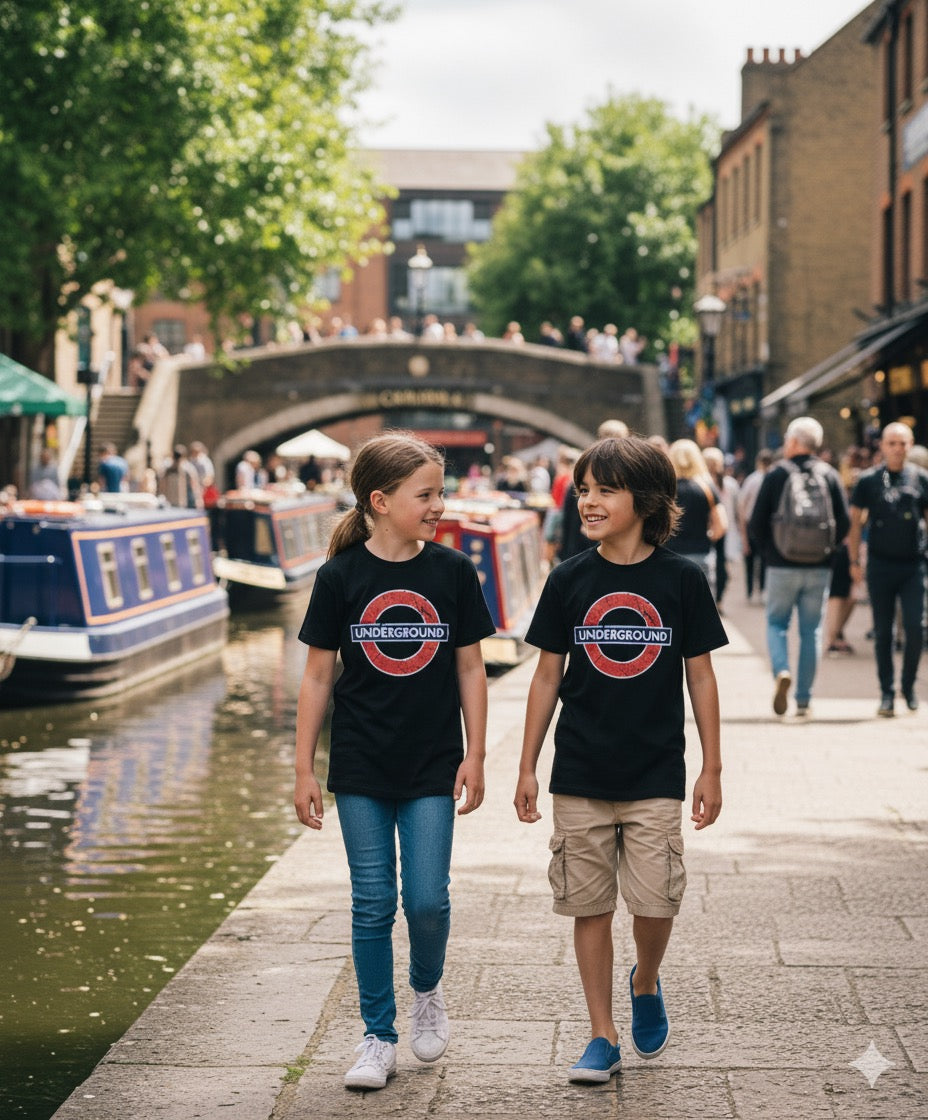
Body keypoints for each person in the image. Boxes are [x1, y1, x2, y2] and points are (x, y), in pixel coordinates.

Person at [514, 435, 726, 1084]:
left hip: (655, 770)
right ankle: (601, 1035)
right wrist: (525, 765)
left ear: (648, 499)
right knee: (589, 905)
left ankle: (646, 980)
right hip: (578, 769)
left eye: (605, 488)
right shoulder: (569, 578)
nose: (588, 500)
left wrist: (712, 768)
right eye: (583, 489)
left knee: (657, 902)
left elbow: (702, 678)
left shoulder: (683, 580)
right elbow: (547, 676)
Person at [293, 433, 495, 1091]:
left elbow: (471, 665)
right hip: (360, 763)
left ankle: (427, 990)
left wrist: (476, 755)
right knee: (373, 901)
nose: (439, 505)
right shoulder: (340, 577)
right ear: (380, 501)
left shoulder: (452, 571)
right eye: (426, 495)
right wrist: (302, 770)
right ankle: (377, 1036)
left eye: (439, 492)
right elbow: (319, 676)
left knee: (429, 900)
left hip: (433, 760)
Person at [748, 416, 850, 717]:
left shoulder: (777, 474)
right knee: (811, 631)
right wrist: (827, 551)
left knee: (777, 624)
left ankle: (781, 670)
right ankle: (804, 698)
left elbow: (756, 522)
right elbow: (843, 522)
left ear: (792, 442)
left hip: (781, 565)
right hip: (819, 567)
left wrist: (771, 552)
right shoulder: (829, 475)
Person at [847, 422, 928, 716]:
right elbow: (855, 523)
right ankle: (886, 692)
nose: (897, 448)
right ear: (882, 446)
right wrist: (855, 561)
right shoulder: (868, 481)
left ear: (910, 445)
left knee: (915, 628)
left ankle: (908, 685)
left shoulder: (921, 479)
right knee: (883, 632)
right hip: (880, 565)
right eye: (891, 443)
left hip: (913, 566)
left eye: (902, 443)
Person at [559, 419, 630, 561]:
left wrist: (565, 557)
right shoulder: (631, 478)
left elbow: (567, 523)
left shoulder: (580, 476)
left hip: (580, 554)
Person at [665, 440, 727, 580]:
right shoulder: (707, 488)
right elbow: (721, 526)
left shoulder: (666, 490)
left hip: (669, 556)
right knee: (701, 600)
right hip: (700, 554)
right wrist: (707, 536)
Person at [736, 449, 774, 602]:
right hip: (767, 525)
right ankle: (763, 590)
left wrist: (743, 532)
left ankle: (751, 591)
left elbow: (742, 506)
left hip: (751, 523)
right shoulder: (770, 479)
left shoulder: (752, 480)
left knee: (750, 560)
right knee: (764, 559)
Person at [158, 444, 203, 509]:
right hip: (170, 501)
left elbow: (194, 485)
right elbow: (163, 484)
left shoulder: (187, 469)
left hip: (184, 500)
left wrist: (198, 499)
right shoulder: (168, 469)